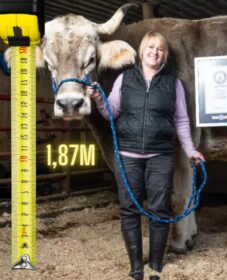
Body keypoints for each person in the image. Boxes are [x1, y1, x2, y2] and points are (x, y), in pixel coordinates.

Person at [87, 31, 205, 280]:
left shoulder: (174, 84)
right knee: (129, 209)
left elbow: (182, 121)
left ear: (165, 55)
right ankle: (136, 267)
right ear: (141, 52)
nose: (155, 52)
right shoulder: (125, 79)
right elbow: (111, 112)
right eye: (150, 47)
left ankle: (155, 265)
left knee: (160, 209)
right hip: (128, 155)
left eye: (160, 49)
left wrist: (190, 150)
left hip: (160, 156)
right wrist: (99, 100)